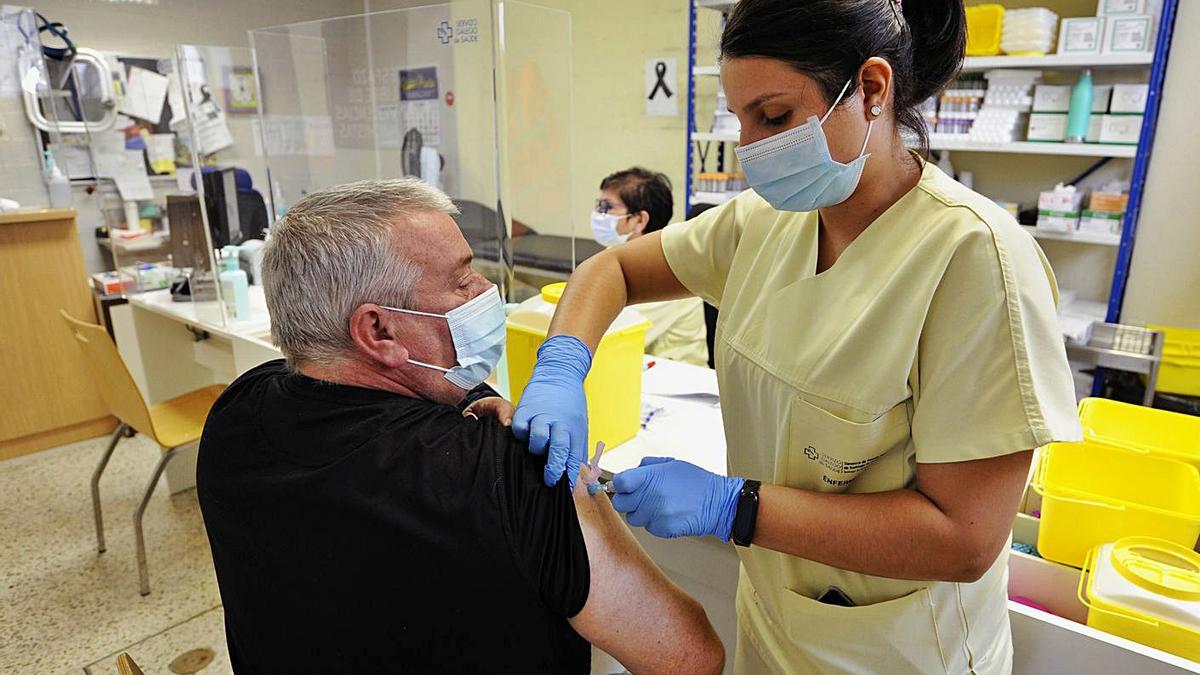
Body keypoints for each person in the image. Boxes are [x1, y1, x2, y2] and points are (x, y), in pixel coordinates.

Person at [511, 1, 1082, 673]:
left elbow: (964, 538)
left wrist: (736, 506)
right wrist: (561, 364)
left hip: (896, 651)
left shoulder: (976, 260)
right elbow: (612, 269)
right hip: (776, 626)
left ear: (871, 89)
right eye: (740, 120)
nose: (751, 151)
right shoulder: (766, 224)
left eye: (774, 117)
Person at [196, 179, 724, 674]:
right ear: (379, 329)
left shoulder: (237, 411)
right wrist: (581, 494)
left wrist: (477, 396)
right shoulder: (504, 474)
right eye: (463, 279)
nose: (486, 288)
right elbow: (690, 657)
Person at [590, 167, 708, 366]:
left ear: (640, 220)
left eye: (607, 207)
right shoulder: (616, 253)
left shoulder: (666, 268)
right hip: (635, 368)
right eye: (599, 206)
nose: (599, 214)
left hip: (674, 384)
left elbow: (608, 333)